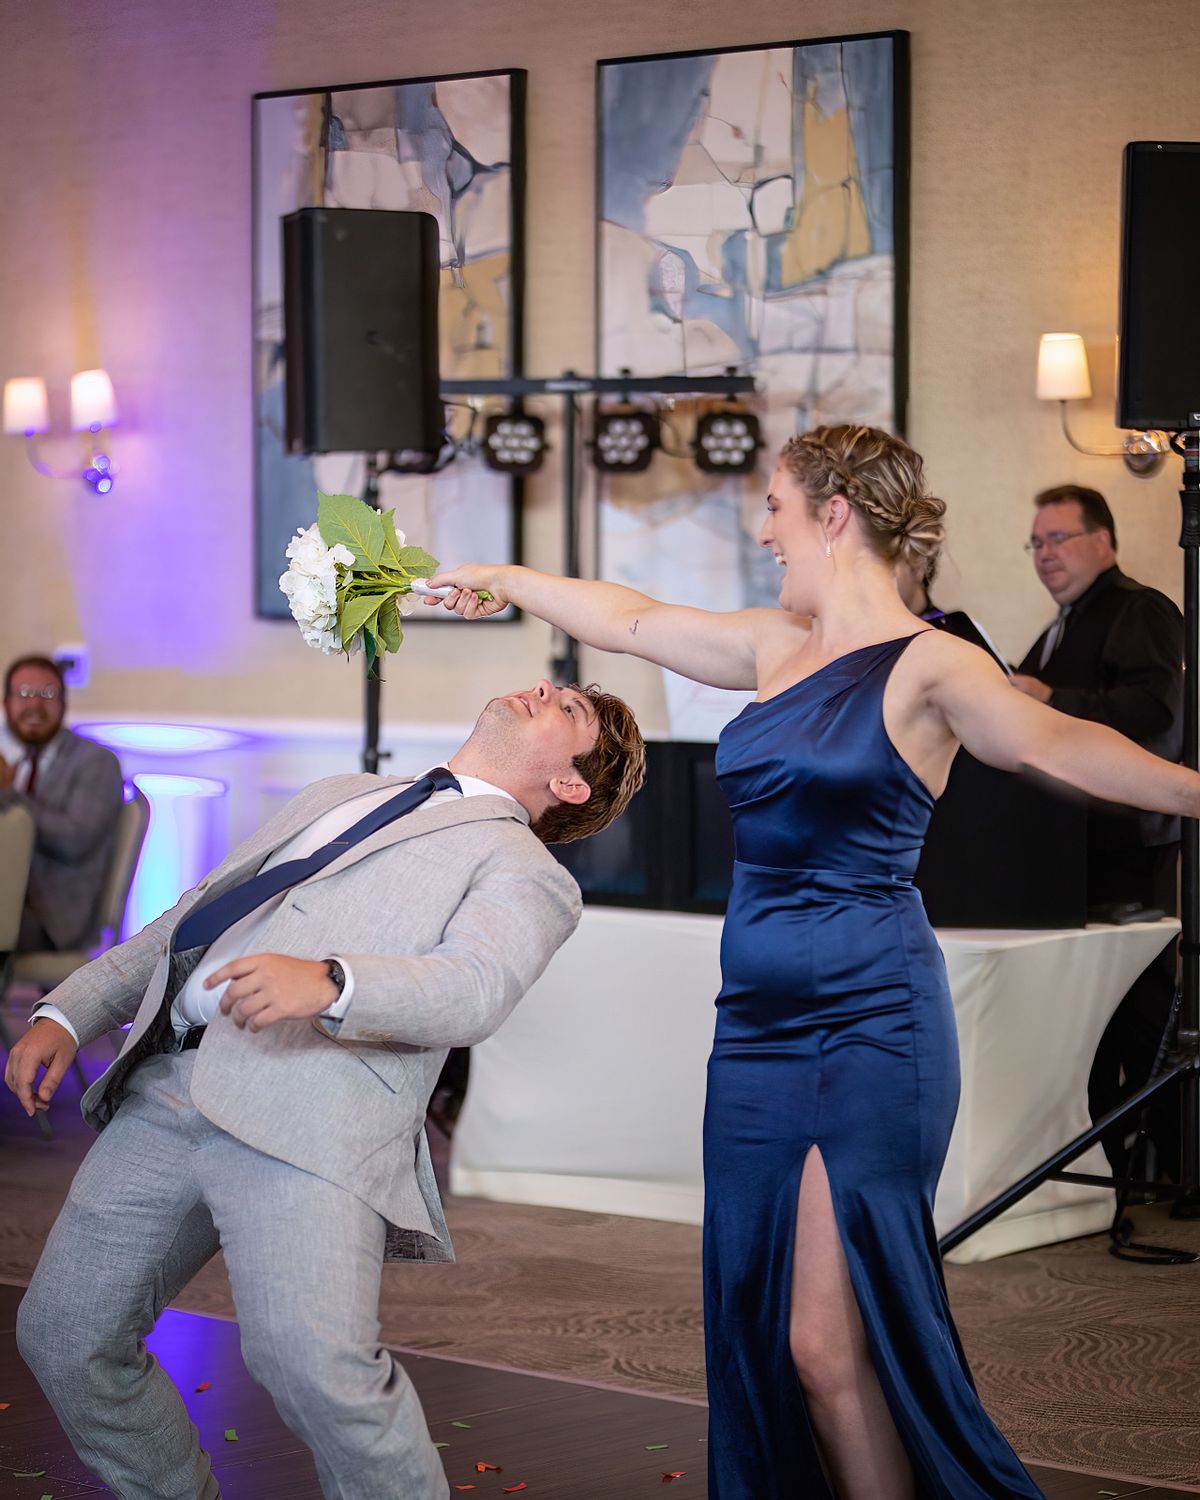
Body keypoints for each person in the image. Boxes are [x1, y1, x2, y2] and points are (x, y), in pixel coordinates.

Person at [426, 427, 1200, 1500]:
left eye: (777, 506)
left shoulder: (934, 663)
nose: (763, 527)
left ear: (835, 512)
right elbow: (631, 618)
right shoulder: (770, 644)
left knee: (827, 1346)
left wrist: (1198, 791)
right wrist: (503, 578)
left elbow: (1059, 746)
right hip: (753, 1029)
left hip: (873, 1019)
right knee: (767, 1327)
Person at [5, 678, 645, 1500]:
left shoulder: (525, 868)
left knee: (315, 1368)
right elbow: (198, 914)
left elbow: (475, 987)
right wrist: (69, 1011)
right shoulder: (339, 793)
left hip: (312, 1113)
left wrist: (333, 982)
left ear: (569, 784)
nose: (544, 690)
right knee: (64, 1334)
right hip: (167, 1088)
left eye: (569, 710)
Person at [1013, 485, 1183, 1178]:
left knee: (1140, 1014)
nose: (1044, 555)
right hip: (1071, 851)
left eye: (1059, 538)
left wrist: (1053, 700)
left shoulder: (1137, 608)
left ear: (1103, 541)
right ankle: (1117, 1166)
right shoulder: (1064, 621)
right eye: (1036, 543)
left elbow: (1155, 707)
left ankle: (1177, 1166)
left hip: (1126, 850)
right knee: (1097, 1020)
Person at [0, 655, 124, 952]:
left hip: (53, 920)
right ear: (6, 704)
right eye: (25, 693)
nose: (35, 705)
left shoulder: (96, 762)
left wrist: (9, 794)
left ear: (64, 704)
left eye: (48, 694)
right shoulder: (8, 758)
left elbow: (75, 840)